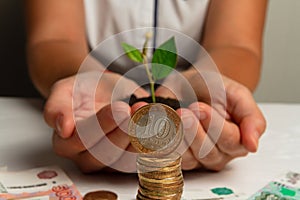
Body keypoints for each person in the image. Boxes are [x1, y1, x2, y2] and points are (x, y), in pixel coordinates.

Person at [25, 0, 267, 173]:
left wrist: (206, 82)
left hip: (194, 102)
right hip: (98, 99)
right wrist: (86, 78)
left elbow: (237, 45)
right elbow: (53, 39)